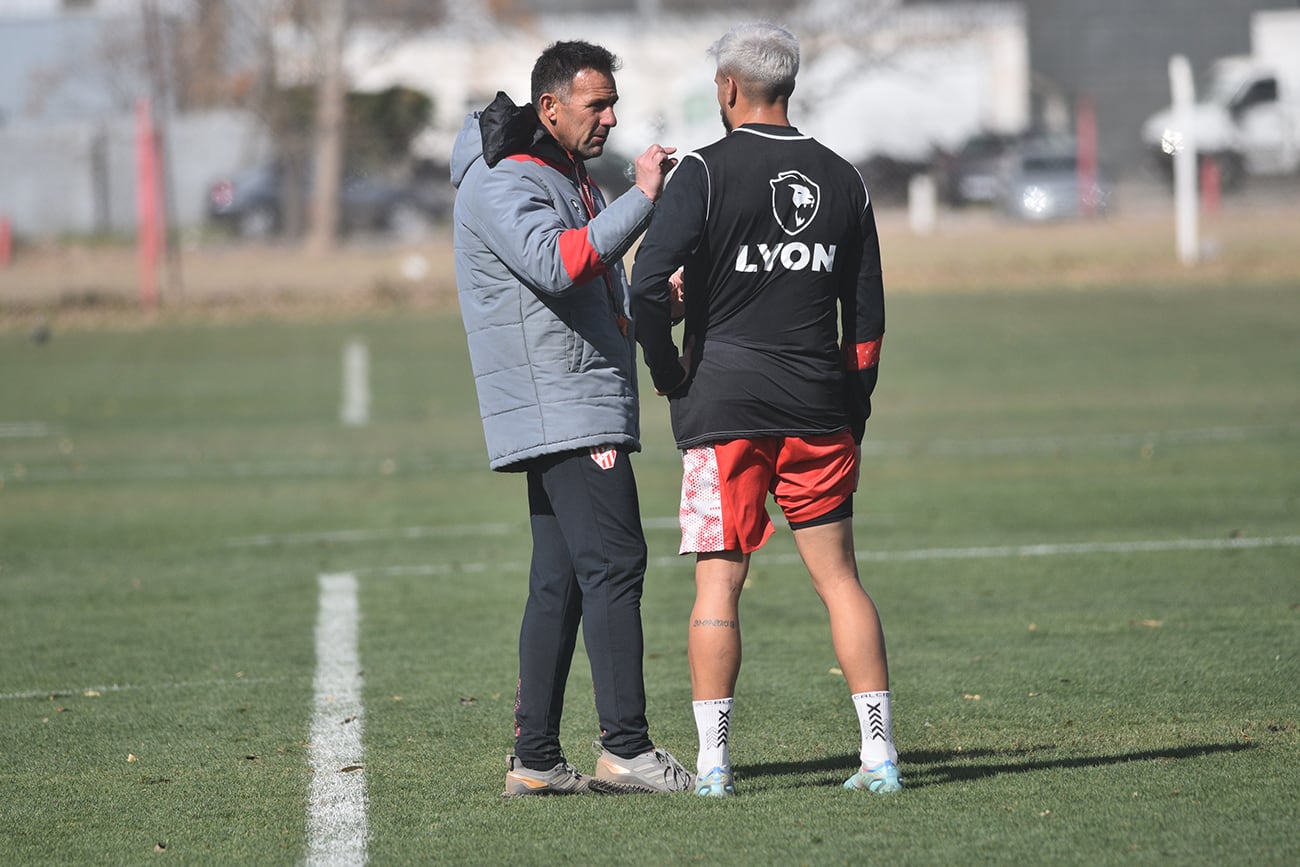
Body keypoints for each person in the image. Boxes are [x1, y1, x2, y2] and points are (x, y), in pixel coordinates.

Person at [630, 22, 901, 797]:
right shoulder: (844, 177)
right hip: (819, 407)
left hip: (723, 410)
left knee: (719, 585)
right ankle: (879, 757)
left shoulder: (704, 175)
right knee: (841, 580)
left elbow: (648, 286)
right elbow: (868, 317)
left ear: (726, 89)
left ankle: (714, 766)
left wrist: (668, 368)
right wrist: (853, 404)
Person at [449, 40, 694, 797]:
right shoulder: (502, 177)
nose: (610, 118)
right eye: (597, 105)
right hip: (566, 408)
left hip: (575, 400)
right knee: (616, 566)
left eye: (613, 103)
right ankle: (627, 750)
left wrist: (642, 305)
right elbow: (556, 262)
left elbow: (579, 281)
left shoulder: (562, 171)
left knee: (561, 582)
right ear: (549, 107)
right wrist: (647, 197)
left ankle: (536, 761)